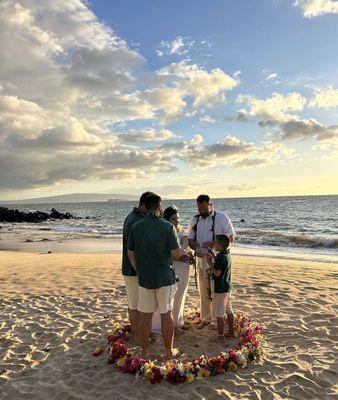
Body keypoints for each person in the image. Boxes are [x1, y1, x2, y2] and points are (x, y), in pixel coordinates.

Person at [127, 194, 183, 359]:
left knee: (146, 315)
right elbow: (176, 254)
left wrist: (139, 269)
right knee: (166, 315)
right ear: (159, 207)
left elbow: (130, 253)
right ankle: (168, 352)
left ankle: (144, 351)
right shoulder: (167, 227)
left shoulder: (136, 227)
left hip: (145, 278)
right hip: (164, 277)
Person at [187, 194, 236, 335]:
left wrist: (214, 245)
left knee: (216, 291)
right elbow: (189, 238)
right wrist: (196, 248)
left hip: (218, 261)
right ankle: (206, 318)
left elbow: (231, 237)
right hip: (201, 260)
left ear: (211, 205)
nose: (202, 212)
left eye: (204, 208)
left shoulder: (222, 217)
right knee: (203, 290)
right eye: (199, 209)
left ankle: (217, 320)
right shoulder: (194, 220)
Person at [152, 206, 195, 332]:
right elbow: (166, 252)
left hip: (184, 267)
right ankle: (168, 323)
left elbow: (186, 247)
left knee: (181, 292)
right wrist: (180, 258)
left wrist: (191, 255)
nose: (176, 221)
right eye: (173, 219)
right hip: (173, 266)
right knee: (172, 295)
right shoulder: (165, 231)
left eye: (177, 218)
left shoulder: (180, 230)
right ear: (166, 219)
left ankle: (177, 321)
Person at [121, 191, 154, 342]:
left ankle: (142, 332)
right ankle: (137, 335)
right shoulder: (132, 220)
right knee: (134, 303)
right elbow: (132, 249)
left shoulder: (140, 217)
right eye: (149, 207)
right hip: (132, 268)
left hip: (141, 268)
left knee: (141, 303)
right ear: (143, 205)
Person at [206, 234, 232, 342]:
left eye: (215, 243)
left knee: (220, 313)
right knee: (228, 309)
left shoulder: (221, 257)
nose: (213, 244)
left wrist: (209, 263)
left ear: (220, 246)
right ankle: (230, 331)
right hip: (227, 286)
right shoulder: (226, 254)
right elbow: (221, 263)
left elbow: (217, 273)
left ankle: (220, 337)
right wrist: (213, 256)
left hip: (220, 288)